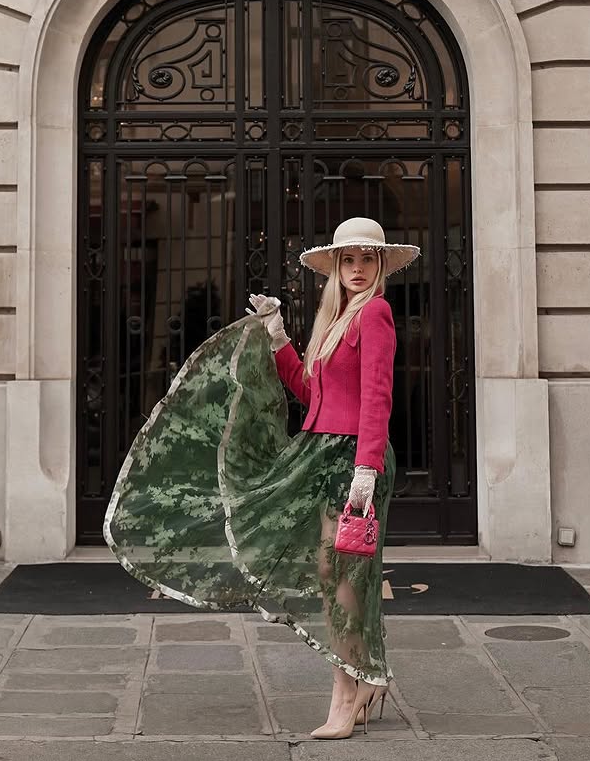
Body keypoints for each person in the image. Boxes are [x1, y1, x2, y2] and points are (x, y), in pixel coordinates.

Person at [104, 216, 419, 741]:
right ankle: (362, 679)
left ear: (381, 265)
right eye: (348, 260)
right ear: (336, 268)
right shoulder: (335, 320)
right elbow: (308, 393)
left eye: (367, 260)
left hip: (349, 460)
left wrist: (366, 469)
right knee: (336, 576)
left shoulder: (377, 313)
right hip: (319, 453)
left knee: (342, 577)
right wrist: (277, 336)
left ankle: (347, 694)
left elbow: (377, 397)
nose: (358, 269)